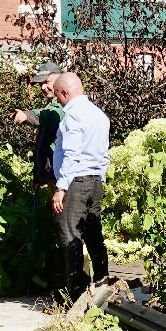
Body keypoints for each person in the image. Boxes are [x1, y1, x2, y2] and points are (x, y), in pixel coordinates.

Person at [50, 72, 110, 300]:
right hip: (95, 180)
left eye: (58, 96)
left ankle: (76, 294)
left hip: (75, 181)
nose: (58, 101)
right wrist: (100, 180)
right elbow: (104, 155)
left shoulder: (72, 116)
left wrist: (61, 188)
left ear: (64, 92)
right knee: (94, 232)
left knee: (70, 234)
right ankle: (102, 281)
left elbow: (72, 154)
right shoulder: (99, 115)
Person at [12, 62, 64, 187]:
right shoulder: (52, 104)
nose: (43, 87)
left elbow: (50, 115)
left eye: (47, 82)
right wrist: (39, 176)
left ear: (59, 79)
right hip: (52, 176)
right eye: (41, 84)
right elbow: (44, 144)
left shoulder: (63, 104)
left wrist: (27, 115)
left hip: (61, 177)